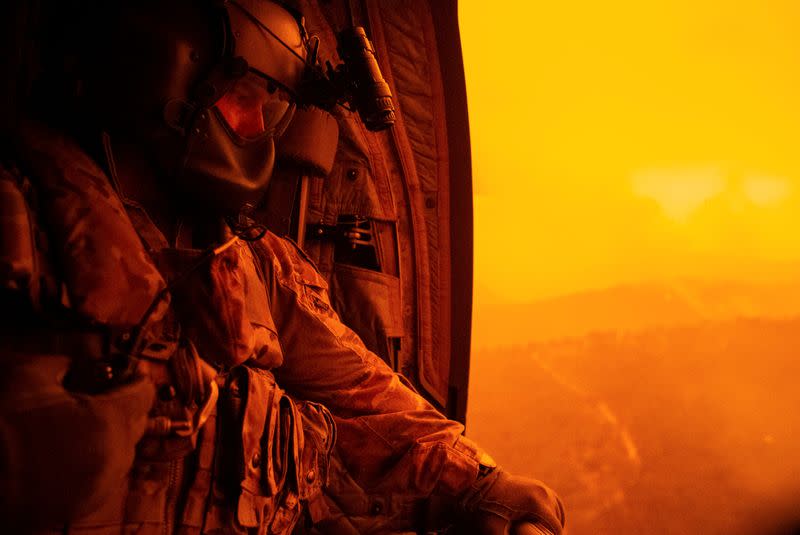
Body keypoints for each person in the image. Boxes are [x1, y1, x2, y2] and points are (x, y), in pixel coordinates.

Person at [0, 1, 566, 534]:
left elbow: (360, 392)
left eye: (269, 109)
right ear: (170, 73)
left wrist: (480, 482)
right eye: (245, 99)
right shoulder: (24, 224)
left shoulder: (253, 263)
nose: (256, 129)